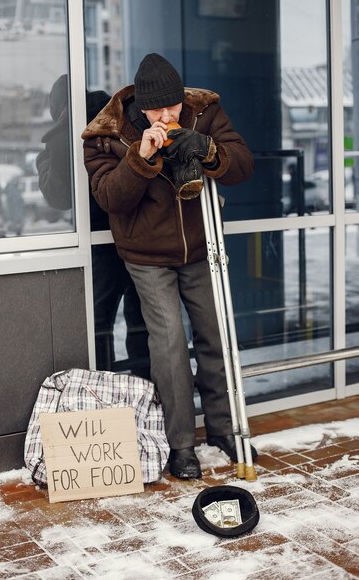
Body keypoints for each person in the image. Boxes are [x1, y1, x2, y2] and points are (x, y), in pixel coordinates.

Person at [82, 53, 257, 479]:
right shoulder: (106, 134)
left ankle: (225, 429)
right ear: (140, 107)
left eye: (172, 106)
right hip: (145, 255)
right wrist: (140, 158)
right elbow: (110, 199)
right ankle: (181, 445)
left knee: (216, 336)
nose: (166, 115)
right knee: (169, 346)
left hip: (201, 248)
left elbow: (243, 165)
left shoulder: (204, 111)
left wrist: (209, 149)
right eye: (157, 109)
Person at [36, 75, 150, 377]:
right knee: (143, 322)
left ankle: (106, 392)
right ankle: (148, 391)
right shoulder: (117, 116)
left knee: (99, 325)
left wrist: (43, 157)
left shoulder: (66, 136)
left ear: (57, 106)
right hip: (141, 234)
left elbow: (58, 197)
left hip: (102, 244)